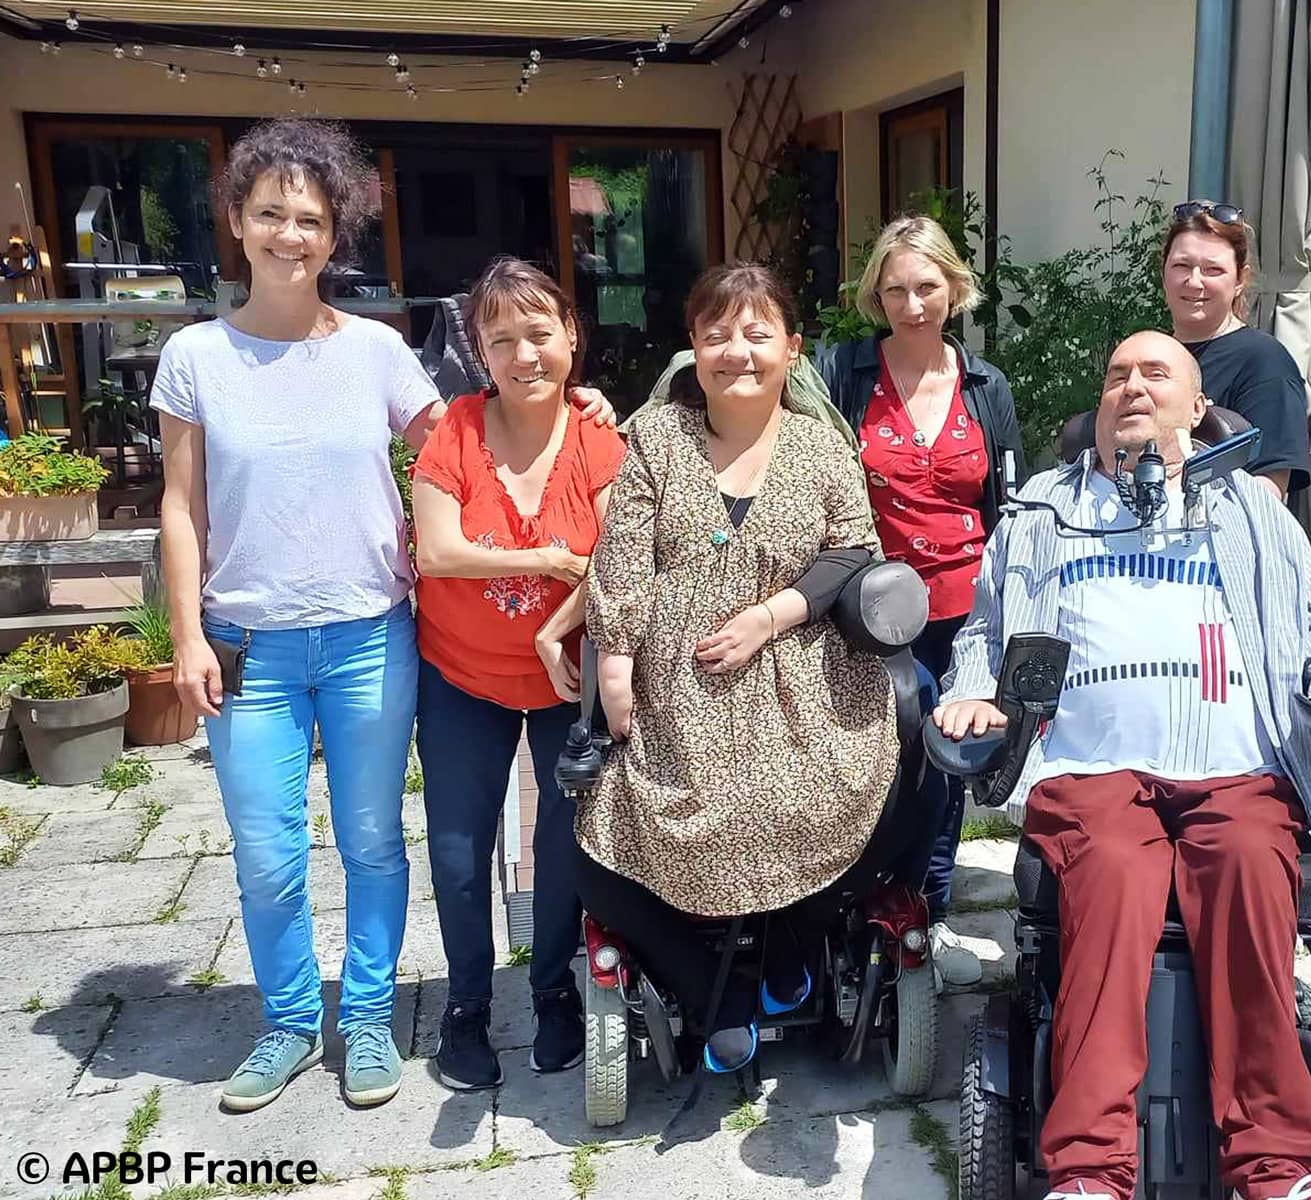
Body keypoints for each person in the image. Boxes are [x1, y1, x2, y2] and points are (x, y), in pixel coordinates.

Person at [153, 118, 615, 1114]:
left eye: (308, 217)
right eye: (269, 213)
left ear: (333, 233)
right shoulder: (195, 355)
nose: (288, 233)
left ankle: (366, 1019)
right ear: (236, 222)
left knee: (372, 840)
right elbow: (178, 507)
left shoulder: (376, 353)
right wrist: (186, 631)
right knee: (268, 850)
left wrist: (588, 409)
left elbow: (478, 425)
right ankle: (286, 1023)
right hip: (247, 643)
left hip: (369, 634)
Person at [934, 330, 1311, 1200]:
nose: (1132, 387)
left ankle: (1271, 1164)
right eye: (1115, 376)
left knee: (1253, 867)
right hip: (1090, 765)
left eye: (1156, 374)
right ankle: (1090, 1170)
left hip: (1234, 764)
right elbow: (984, 632)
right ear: (1096, 413)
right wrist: (970, 690)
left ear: (1198, 409)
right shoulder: (1040, 508)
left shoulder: (1251, 511)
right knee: (1108, 875)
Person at [575, 263, 915, 1072]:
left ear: (791, 350)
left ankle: (794, 946)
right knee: (602, 852)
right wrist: (615, 661)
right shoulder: (656, 437)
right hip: (674, 682)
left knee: (835, 806)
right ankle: (711, 989)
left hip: (799, 675)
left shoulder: (821, 446)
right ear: (692, 347)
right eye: (717, 334)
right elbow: (620, 556)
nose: (737, 352)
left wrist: (769, 616)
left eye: (758, 334)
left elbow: (851, 550)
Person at [410, 257, 625, 1089]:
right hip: (460, 674)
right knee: (459, 851)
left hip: (565, 681)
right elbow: (436, 551)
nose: (524, 354)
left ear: (571, 337)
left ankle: (552, 991)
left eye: (540, 333)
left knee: (563, 841)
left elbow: (613, 561)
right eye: (502, 340)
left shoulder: (600, 438)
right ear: (480, 352)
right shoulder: (456, 430)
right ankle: (466, 1007)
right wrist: (548, 557)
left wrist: (557, 628)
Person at [816, 215, 1024, 990]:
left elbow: (1008, 504)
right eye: (896, 288)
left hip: (965, 608)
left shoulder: (984, 384)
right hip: (871, 609)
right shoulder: (843, 372)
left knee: (942, 767)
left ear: (954, 289)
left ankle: (925, 917)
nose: (912, 303)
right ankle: (853, 903)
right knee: (872, 757)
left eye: (927, 286)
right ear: (877, 293)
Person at [1163, 200, 1311, 501]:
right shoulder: (1151, 357)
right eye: (1181, 265)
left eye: (1213, 269)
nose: (1194, 281)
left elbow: (1270, 491)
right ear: (1163, 271)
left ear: (1240, 280)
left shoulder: (1265, 361)